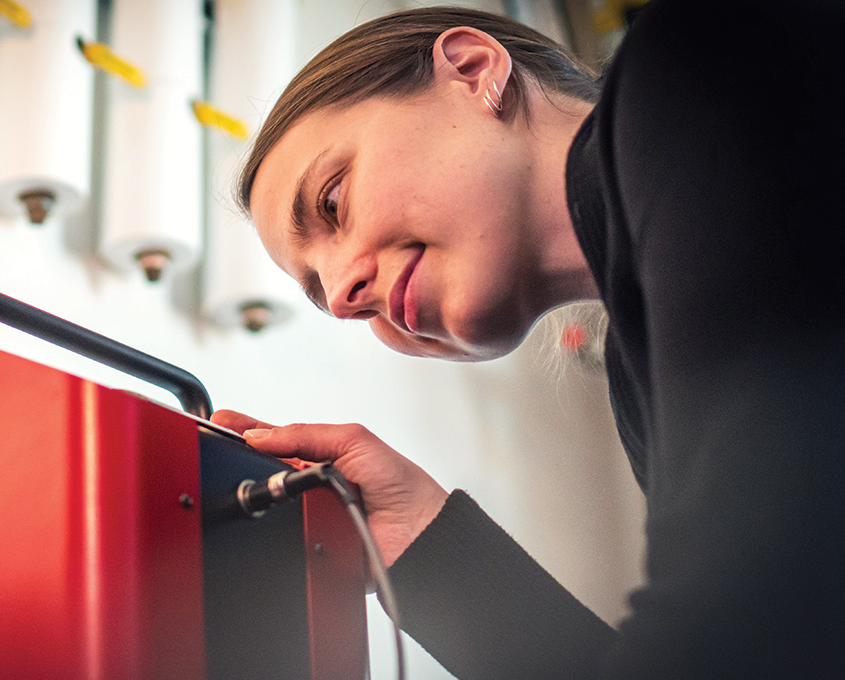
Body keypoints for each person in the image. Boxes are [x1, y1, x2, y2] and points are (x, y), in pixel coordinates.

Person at [210, 0, 845, 677]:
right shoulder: (639, 380)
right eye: (320, 292)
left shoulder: (701, 64)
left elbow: (743, 628)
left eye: (333, 202)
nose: (341, 295)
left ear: (473, 70)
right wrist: (424, 538)